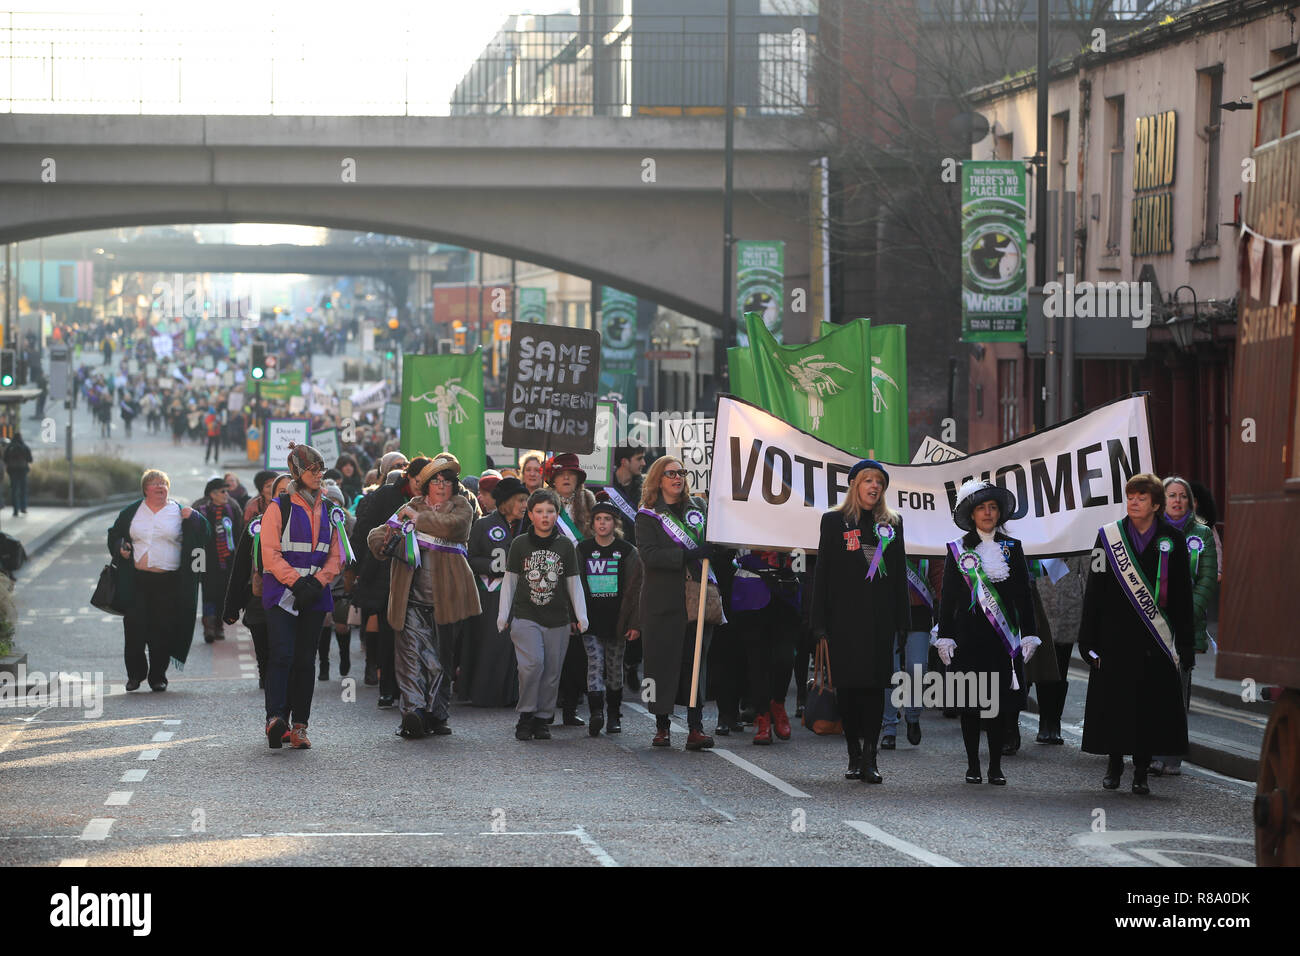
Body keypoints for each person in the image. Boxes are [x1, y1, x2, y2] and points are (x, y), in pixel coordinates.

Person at [1078, 473, 1194, 794]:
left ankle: (1140, 772)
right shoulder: (1108, 537)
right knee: (1116, 704)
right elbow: (1095, 592)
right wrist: (1087, 641)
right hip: (1114, 639)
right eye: (1130, 497)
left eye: (1141, 498)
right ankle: (1114, 765)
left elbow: (1183, 595)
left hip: (1153, 640)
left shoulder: (1173, 539)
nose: (1133, 503)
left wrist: (1185, 643)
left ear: (1156, 504)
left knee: (1149, 707)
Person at [933, 479, 1040, 786]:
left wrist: (1030, 633)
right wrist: (946, 635)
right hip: (968, 637)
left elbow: (1023, 595)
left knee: (997, 706)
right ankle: (972, 766)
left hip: (1001, 641)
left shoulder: (1013, 548)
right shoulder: (957, 549)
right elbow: (949, 597)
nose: (988, 513)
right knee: (970, 705)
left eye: (993, 507)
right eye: (982, 508)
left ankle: (995, 766)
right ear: (971, 514)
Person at [810, 460, 909, 783]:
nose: (874, 486)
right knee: (849, 692)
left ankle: (870, 756)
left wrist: (903, 622)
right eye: (868, 480)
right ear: (854, 485)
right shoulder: (834, 522)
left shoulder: (893, 524)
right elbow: (822, 573)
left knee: (874, 690)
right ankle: (853, 751)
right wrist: (819, 623)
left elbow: (898, 577)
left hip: (880, 622)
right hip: (844, 622)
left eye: (879, 481)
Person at [369, 453, 480, 739]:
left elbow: (455, 527)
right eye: (436, 481)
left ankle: (436, 714)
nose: (441, 486)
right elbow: (376, 535)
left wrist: (418, 520)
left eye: (446, 481)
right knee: (409, 659)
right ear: (426, 485)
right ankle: (413, 714)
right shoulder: (411, 505)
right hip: (410, 599)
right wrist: (384, 543)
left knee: (439, 661)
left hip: (447, 599)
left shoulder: (461, 507)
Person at [258, 443, 345, 750]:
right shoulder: (278, 507)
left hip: (315, 595)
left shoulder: (333, 511)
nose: (319, 475)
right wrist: (296, 583)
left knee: (305, 661)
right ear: (297, 472)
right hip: (283, 594)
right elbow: (269, 554)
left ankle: (300, 727)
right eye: (313, 470)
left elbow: (338, 555)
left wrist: (317, 583)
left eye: (321, 469)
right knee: (282, 654)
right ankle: (275, 719)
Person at [635, 456, 720, 751]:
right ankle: (662, 727)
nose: (678, 477)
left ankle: (696, 728)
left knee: (695, 662)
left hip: (697, 597)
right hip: (662, 599)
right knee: (659, 663)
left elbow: (715, 543)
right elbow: (649, 555)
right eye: (671, 473)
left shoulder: (699, 509)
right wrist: (687, 555)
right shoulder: (648, 515)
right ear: (658, 479)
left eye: (681, 472)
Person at [498, 488, 588, 741]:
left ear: (557, 515)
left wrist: (581, 615)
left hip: (558, 619)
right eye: (539, 511)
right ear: (530, 514)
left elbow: (573, 582)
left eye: (550, 511)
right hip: (526, 616)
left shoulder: (565, 546)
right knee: (532, 665)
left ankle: (542, 718)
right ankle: (526, 715)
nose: (545, 516)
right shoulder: (519, 544)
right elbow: (510, 582)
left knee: (551, 671)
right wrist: (503, 614)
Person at [108, 469, 210, 692]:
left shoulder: (179, 511)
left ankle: (157, 676)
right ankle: (135, 675)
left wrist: (193, 517)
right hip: (138, 580)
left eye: (163, 483)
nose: (160, 487)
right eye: (154, 483)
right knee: (134, 627)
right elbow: (114, 534)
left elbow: (205, 532)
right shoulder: (132, 512)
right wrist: (120, 548)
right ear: (145, 488)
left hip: (169, 582)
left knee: (162, 630)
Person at [1149, 476, 1219, 777]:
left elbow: (1206, 579)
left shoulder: (1202, 534)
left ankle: (1172, 757)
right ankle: (1150, 752)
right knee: (1151, 689)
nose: (1177, 501)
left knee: (1178, 691)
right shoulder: (1149, 532)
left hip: (1185, 627)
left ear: (1190, 502)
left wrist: (1187, 614)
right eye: (1171, 495)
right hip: (1153, 623)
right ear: (1162, 501)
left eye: (1182, 496)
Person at [576, 493, 643, 735]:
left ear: (615, 523)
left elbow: (636, 589)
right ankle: (596, 713)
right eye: (598, 519)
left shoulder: (627, 551)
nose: (602, 523)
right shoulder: (582, 550)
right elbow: (576, 586)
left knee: (615, 668)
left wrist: (635, 623)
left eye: (607, 519)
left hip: (618, 621)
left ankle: (614, 714)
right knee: (595, 665)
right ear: (591, 523)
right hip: (591, 620)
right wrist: (577, 616)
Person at [350, 451, 411, 705]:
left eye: (403, 465)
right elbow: (364, 533)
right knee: (384, 626)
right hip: (381, 572)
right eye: (396, 466)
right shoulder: (378, 498)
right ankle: (382, 676)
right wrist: (358, 570)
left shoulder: (421, 500)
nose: (401, 468)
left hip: (411, 573)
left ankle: (407, 684)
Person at [544, 453, 598, 726]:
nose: (566, 478)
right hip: (548, 581)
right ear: (552, 478)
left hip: (580, 580)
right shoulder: (542, 503)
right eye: (561, 473)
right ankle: (544, 707)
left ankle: (570, 705)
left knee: (577, 650)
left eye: (571, 474)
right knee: (550, 648)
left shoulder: (588, 502)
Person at [223, 473, 291, 688]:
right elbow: (241, 566)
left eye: (290, 491)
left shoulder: (308, 523)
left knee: (283, 647)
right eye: (280, 492)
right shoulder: (256, 525)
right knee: (262, 639)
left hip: (292, 596)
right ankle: (265, 674)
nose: (286, 496)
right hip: (260, 596)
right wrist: (231, 607)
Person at [465, 475, 528, 708]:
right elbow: (471, 559)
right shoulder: (483, 524)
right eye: (520, 500)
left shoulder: (530, 524)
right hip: (492, 594)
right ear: (506, 502)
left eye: (526, 500)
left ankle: (516, 694)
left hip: (524, 595)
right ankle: (488, 693)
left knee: (519, 645)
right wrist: (492, 566)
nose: (524, 505)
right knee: (495, 644)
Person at [732, 548, 801, 745]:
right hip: (752, 590)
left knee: (785, 657)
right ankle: (762, 716)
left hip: (786, 590)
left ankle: (778, 703)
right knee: (757, 659)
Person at [881, 554, 943, 749]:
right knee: (889, 670)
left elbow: (939, 573)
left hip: (918, 611)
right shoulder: (883, 531)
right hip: (887, 610)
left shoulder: (925, 536)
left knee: (917, 667)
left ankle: (913, 715)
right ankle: (889, 727)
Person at [1032, 555, 1088, 745]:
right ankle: (1044, 722)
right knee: (1042, 669)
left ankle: (1054, 723)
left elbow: (1088, 574)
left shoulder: (1074, 533)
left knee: (1060, 669)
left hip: (1069, 606)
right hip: (1040, 602)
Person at [196, 476, 244, 644]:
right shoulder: (199, 508)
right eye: (223, 491)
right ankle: (208, 627)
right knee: (208, 592)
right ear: (212, 494)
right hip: (206, 559)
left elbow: (239, 531)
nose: (226, 494)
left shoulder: (232, 507)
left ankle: (219, 626)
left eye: (227, 491)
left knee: (224, 593)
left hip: (228, 560)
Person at [317, 484, 356, 681]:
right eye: (329, 500)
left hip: (343, 581)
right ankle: (323, 664)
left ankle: (344, 657)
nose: (334, 504)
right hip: (323, 580)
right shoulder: (317, 521)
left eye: (337, 501)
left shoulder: (351, 522)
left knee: (342, 625)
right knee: (324, 623)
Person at [3, 432, 32, 517]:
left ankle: (15, 510)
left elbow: (5, 459)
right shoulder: (24, 447)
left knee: (14, 490)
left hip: (12, 471)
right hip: (23, 471)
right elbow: (30, 459)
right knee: (23, 489)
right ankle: (23, 508)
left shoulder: (9, 447)